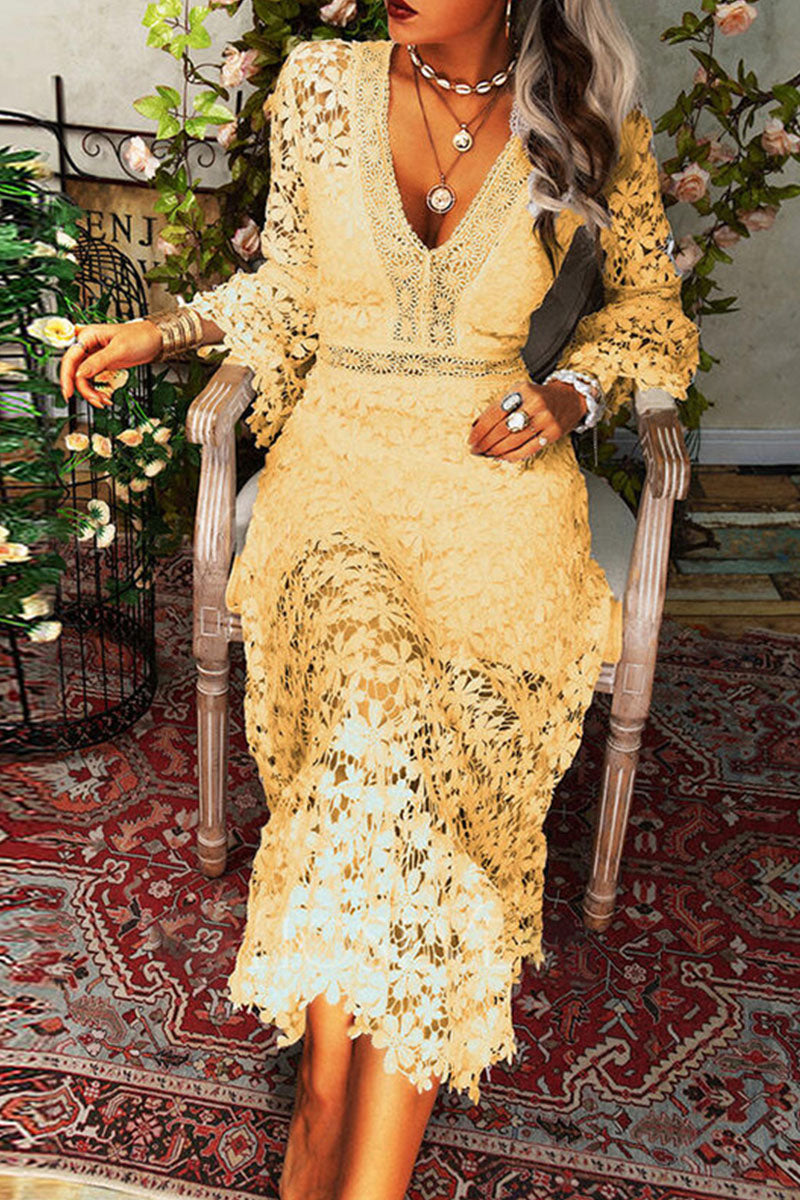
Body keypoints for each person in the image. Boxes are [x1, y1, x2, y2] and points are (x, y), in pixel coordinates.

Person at [60, 1, 699, 1196]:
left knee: (432, 767)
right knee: (379, 717)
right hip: (339, 469)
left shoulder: (589, 117)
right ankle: (323, 1099)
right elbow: (290, 289)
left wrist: (566, 394)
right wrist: (163, 333)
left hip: (491, 488)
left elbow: (647, 315)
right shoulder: (318, 84)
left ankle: (345, 1156)